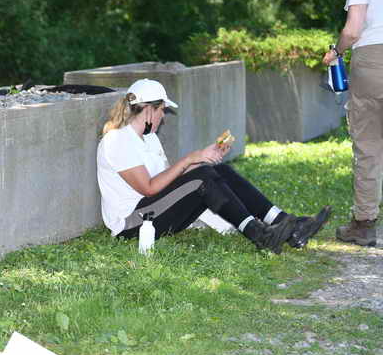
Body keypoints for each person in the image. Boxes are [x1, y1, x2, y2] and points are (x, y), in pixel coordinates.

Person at [96, 78, 331, 253]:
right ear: (148, 110)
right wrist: (190, 159)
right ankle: (259, 235)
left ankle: (286, 224)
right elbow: (149, 188)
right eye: (162, 111)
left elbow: (170, 183)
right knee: (203, 177)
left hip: (155, 210)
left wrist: (203, 158)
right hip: (134, 223)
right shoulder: (117, 140)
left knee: (218, 171)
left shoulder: (149, 139)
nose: (163, 117)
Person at [323, 0, 383, 247]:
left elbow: (352, 29)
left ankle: (364, 224)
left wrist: (336, 51)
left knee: (369, 144)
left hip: (373, 61)